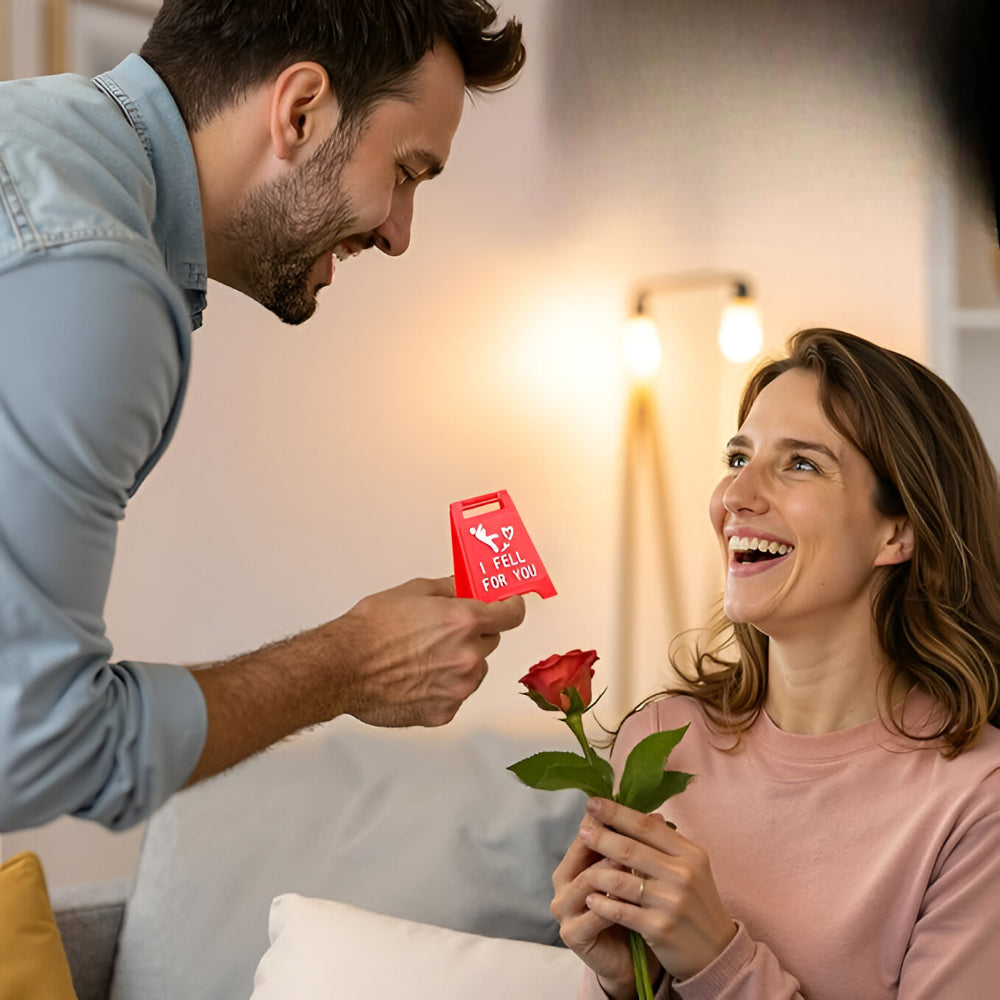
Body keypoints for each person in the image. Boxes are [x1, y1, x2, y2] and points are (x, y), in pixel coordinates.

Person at [0, 0, 526, 833]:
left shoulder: (33, 149)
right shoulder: (91, 278)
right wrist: (353, 663)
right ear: (301, 109)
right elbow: (28, 750)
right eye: (407, 171)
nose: (400, 234)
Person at [552, 328, 1000, 999]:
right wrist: (622, 985)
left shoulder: (978, 799)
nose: (735, 497)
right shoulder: (660, 743)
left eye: (800, 465)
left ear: (897, 530)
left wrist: (717, 960)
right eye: (738, 457)